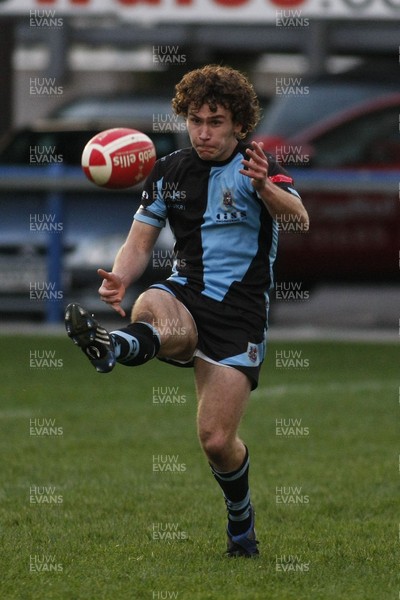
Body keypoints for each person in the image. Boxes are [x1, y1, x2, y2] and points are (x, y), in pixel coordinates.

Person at [65, 64, 309, 558]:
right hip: (183, 292)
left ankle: (241, 527)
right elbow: (139, 242)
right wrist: (119, 277)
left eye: (215, 121)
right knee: (152, 306)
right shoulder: (170, 170)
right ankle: (113, 345)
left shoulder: (258, 168)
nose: (203, 131)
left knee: (217, 441)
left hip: (239, 315)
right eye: (196, 119)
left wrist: (265, 187)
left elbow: (299, 218)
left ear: (239, 124)